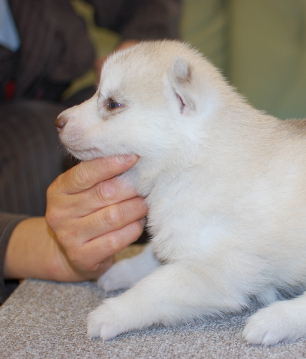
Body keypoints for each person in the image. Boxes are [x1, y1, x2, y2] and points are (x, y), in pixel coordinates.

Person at [0, 0, 181, 304]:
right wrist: (41, 246)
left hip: (49, 100)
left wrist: (136, 45)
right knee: (41, 145)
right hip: (29, 135)